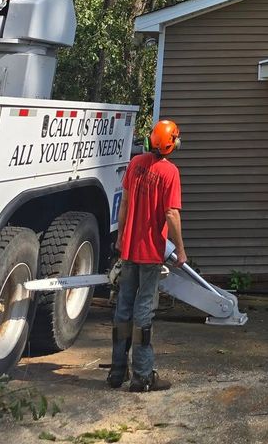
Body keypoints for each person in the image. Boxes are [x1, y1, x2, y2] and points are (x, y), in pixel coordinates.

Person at [108, 118, 187, 392]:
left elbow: (125, 202)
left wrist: (120, 236)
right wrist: (180, 249)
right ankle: (142, 376)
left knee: (123, 307)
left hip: (129, 248)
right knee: (143, 311)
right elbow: (171, 214)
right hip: (151, 252)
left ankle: (117, 371)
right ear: (172, 144)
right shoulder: (170, 173)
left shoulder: (135, 164)